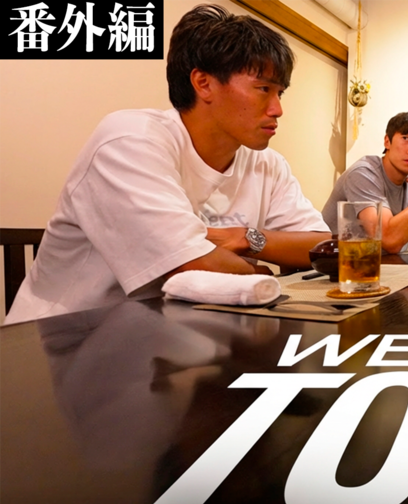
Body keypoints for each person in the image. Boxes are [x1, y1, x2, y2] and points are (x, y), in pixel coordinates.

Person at [5, 5, 331, 324]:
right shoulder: (130, 140)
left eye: (280, 93)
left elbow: (324, 248)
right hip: (63, 339)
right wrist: (258, 271)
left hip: (180, 333)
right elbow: (190, 266)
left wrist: (247, 238)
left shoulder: (267, 164)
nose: (277, 109)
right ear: (203, 83)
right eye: (263, 89)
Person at [323, 112, 408, 254]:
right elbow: (389, 240)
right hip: (338, 264)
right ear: (387, 141)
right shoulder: (363, 173)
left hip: (380, 264)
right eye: (405, 138)